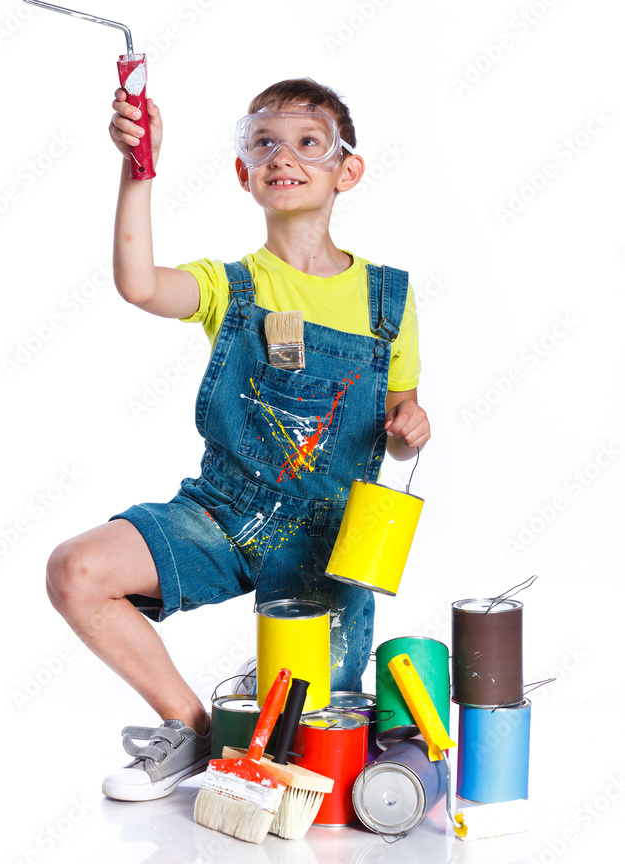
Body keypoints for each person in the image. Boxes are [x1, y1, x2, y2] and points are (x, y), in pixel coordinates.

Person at [46, 77, 431, 802]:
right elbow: (139, 284)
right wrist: (138, 169)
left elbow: (402, 424)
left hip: (331, 543)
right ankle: (191, 728)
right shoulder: (231, 287)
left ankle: (266, 696)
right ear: (243, 171)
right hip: (223, 511)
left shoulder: (389, 298)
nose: (283, 156)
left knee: (310, 759)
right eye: (263, 143)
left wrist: (412, 429)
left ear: (347, 170)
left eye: (308, 142)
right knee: (76, 571)